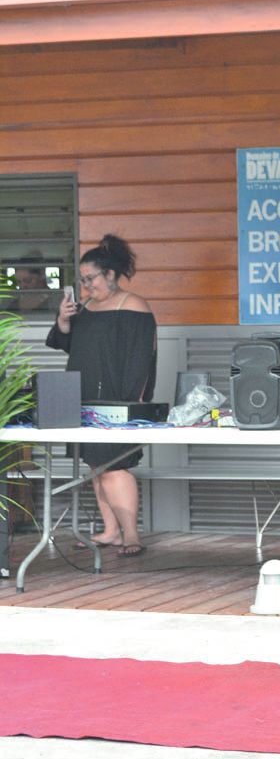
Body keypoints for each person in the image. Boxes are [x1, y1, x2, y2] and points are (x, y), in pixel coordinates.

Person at [47, 235, 157, 557]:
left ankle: (132, 535)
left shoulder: (134, 306)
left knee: (115, 467)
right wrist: (64, 320)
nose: (86, 286)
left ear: (110, 274)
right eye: (81, 280)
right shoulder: (86, 308)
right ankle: (111, 531)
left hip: (117, 400)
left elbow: (142, 361)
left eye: (90, 278)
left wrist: (129, 405)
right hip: (82, 398)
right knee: (96, 467)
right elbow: (65, 343)